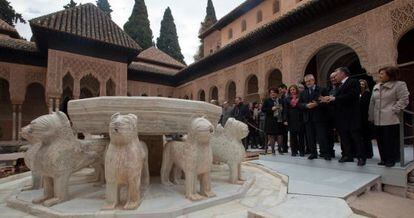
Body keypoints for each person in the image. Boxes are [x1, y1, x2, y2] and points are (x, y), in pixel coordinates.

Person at [321, 67, 366, 166]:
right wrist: (328, 100)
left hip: (352, 115)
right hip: (341, 117)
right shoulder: (339, 86)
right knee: (344, 137)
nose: (335, 77)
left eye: (336, 74)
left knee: (356, 137)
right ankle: (347, 155)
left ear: (343, 74)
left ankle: (361, 157)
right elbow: (337, 100)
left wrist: (334, 98)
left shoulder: (353, 82)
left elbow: (352, 95)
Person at [369, 66, 409, 167]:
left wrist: (394, 110)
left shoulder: (399, 85)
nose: (380, 76)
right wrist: (371, 116)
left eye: (382, 74)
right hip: (377, 118)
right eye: (380, 73)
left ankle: (392, 159)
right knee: (380, 140)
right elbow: (372, 102)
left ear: (390, 75)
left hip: (391, 118)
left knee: (390, 140)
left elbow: (404, 99)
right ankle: (383, 159)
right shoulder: (376, 86)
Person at [299, 74, 330, 160]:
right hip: (308, 118)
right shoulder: (303, 93)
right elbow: (300, 104)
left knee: (322, 136)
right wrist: (306, 105)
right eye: (306, 82)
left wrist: (316, 104)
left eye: (309, 81)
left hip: (319, 117)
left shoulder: (322, 89)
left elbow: (326, 101)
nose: (308, 83)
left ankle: (325, 153)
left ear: (313, 80)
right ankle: (313, 153)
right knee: (310, 137)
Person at [283, 85, 304, 156]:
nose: (292, 91)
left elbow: (303, 107)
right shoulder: (287, 99)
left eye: (294, 89)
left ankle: (302, 151)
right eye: (291, 90)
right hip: (291, 119)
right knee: (293, 136)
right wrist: (285, 119)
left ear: (296, 90)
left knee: (301, 136)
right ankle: (294, 151)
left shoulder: (300, 97)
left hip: (300, 118)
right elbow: (285, 110)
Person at [262, 88, 284, 155]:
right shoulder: (267, 101)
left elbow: (284, 108)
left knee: (280, 135)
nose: (273, 94)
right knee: (272, 136)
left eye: (274, 92)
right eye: (271, 92)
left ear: (277, 93)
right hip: (270, 120)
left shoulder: (280, 100)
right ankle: (273, 150)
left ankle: (280, 149)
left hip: (279, 120)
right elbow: (263, 109)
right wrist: (271, 109)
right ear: (270, 94)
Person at [326, 72, 339, 158]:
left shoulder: (342, 87)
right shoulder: (328, 89)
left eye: (334, 77)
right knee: (329, 135)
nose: (333, 79)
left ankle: (347, 153)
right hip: (330, 115)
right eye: (331, 78)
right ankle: (330, 152)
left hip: (341, 114)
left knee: (343, 134)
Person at [359, 79, 373, 159]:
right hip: (358, 118)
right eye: (360, 84)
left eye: (363, 84)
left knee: (366, 136)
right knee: (360, 137)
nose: (361, 85)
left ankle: (369, 153)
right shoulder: (357, 94)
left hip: (365, 118)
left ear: (365, 86)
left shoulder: (368, 94)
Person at [279, 84, 289, 153]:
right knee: (284, 134)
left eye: (280, 90)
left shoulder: (290, 95)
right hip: (284, 118)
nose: (280, 91)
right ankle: (285, 148)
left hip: (291, 117)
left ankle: (297, 148)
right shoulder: (281, 98)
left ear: (284, 88)